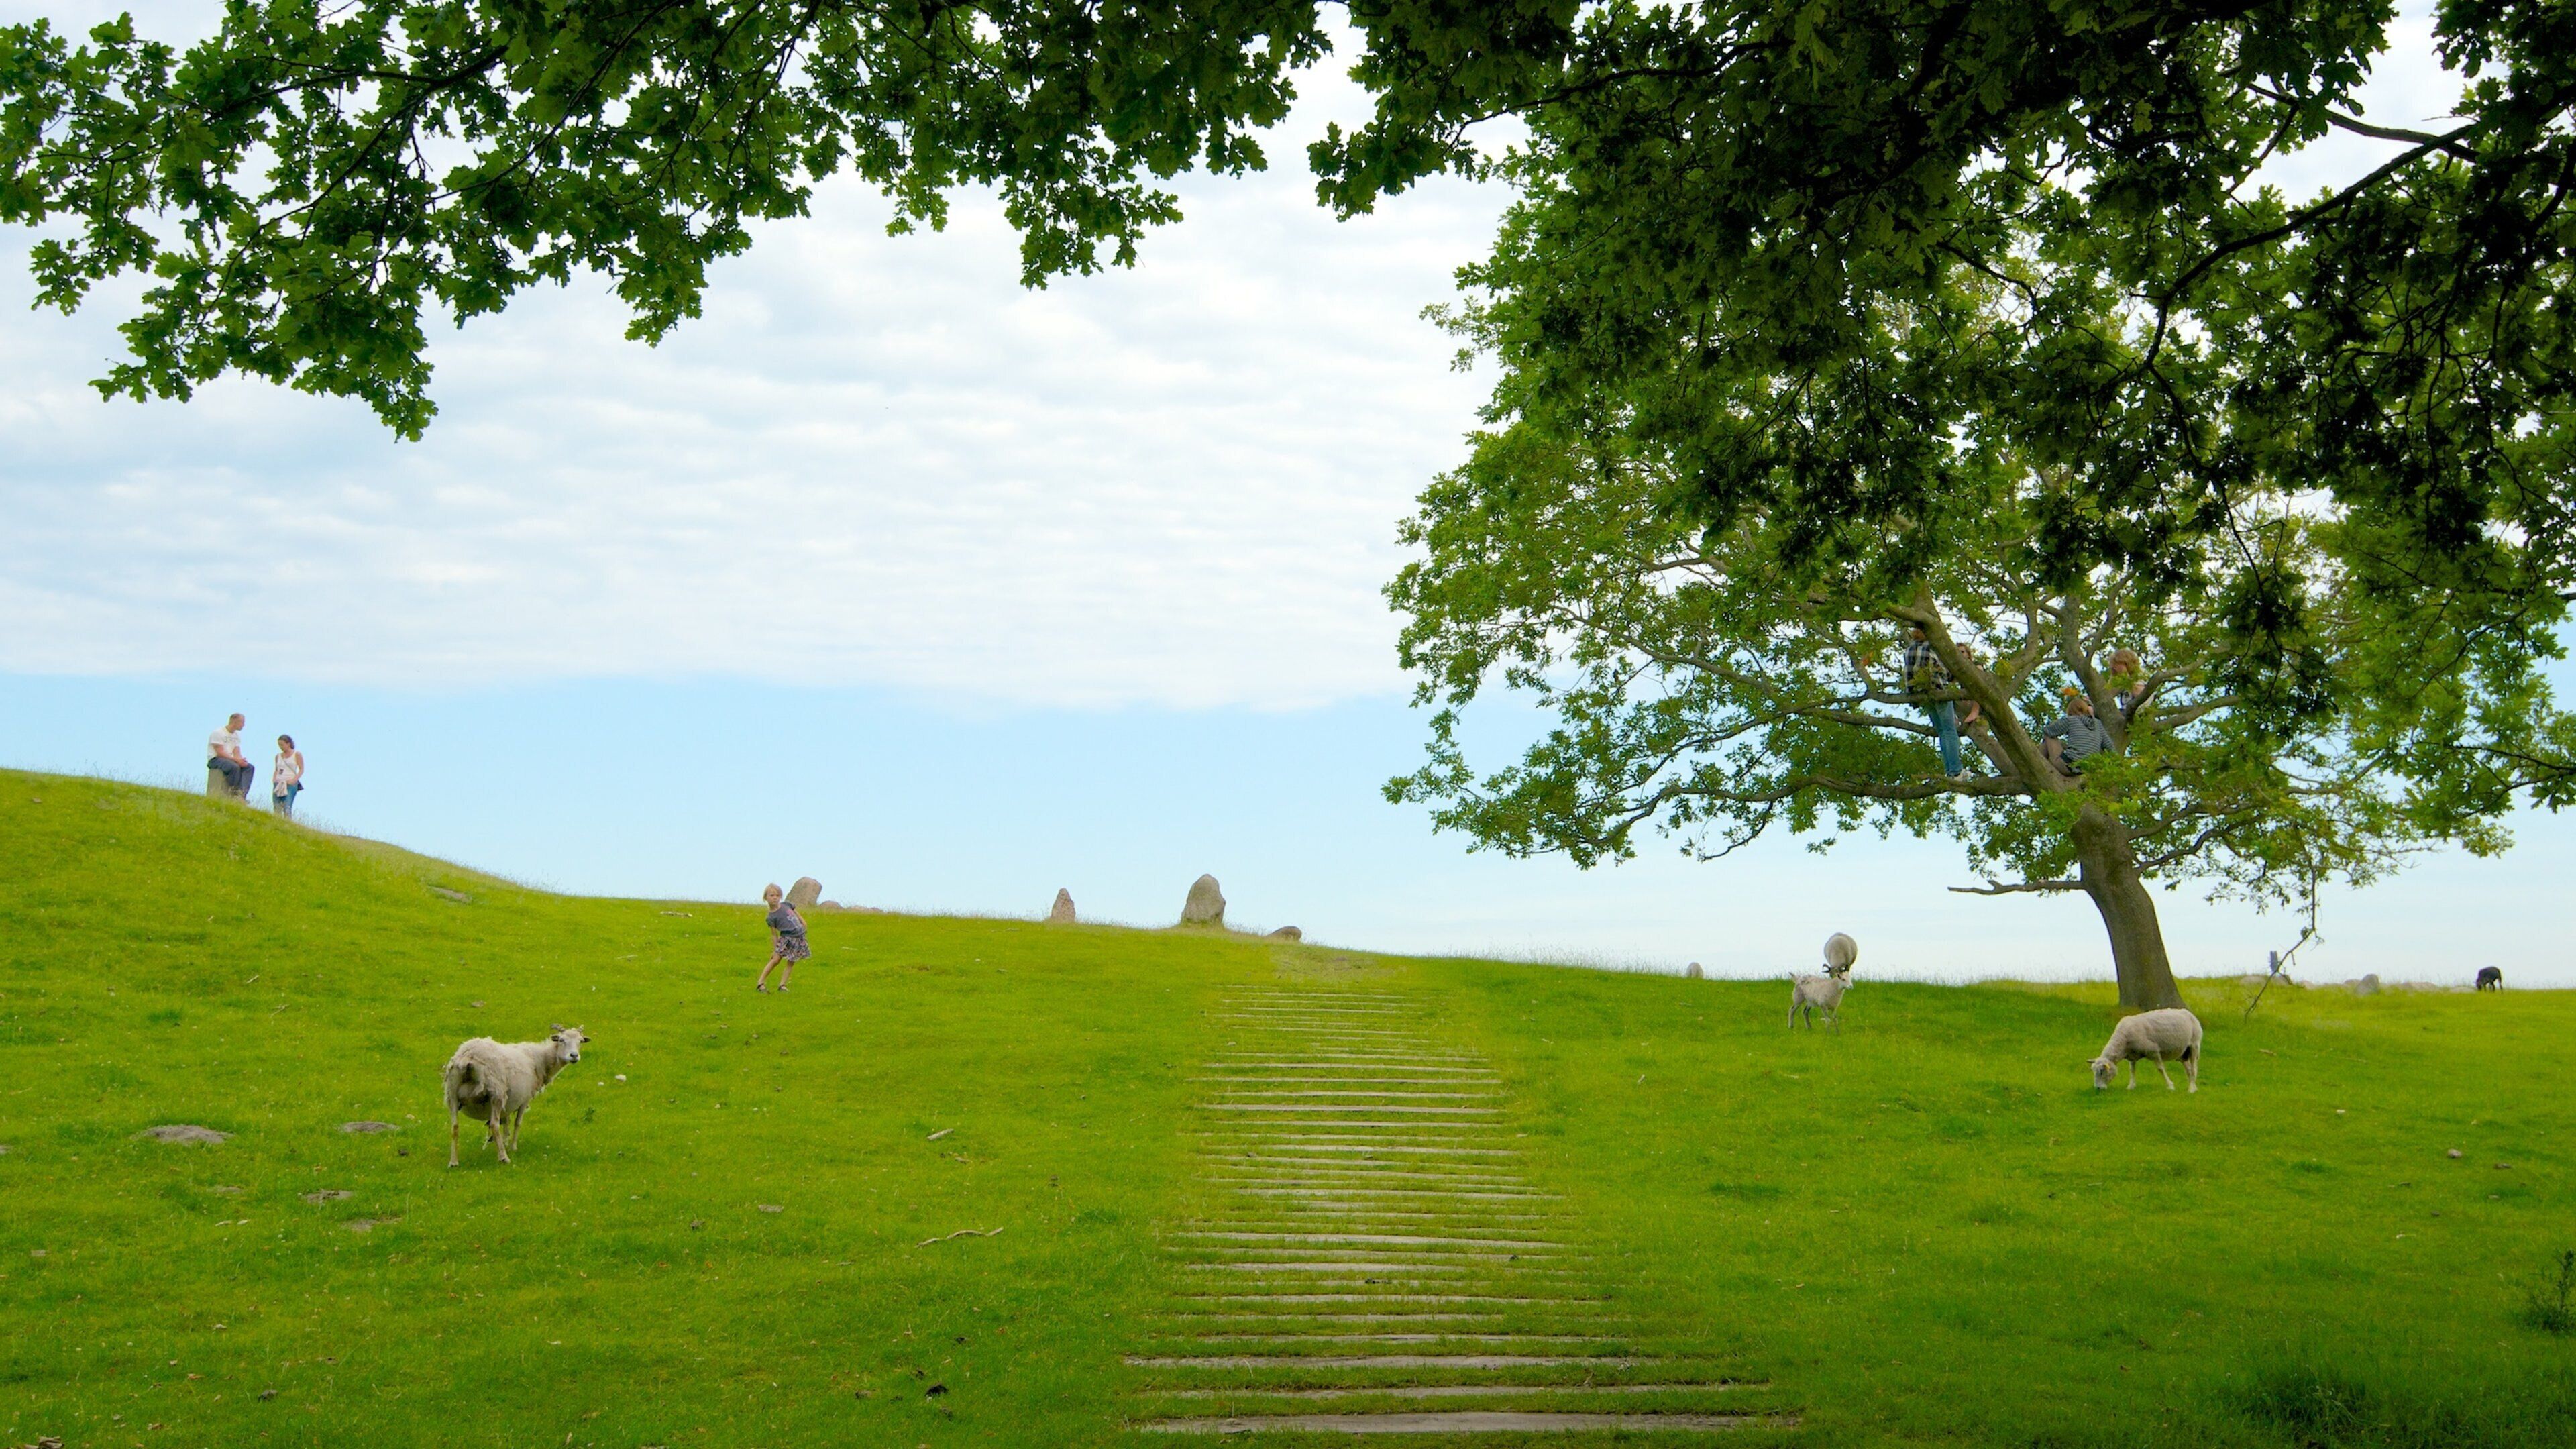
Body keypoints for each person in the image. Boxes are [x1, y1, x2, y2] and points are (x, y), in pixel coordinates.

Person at [1900, 627, 1970, 780]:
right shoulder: (1933, 647)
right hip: (1938, 691)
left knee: (1942, 732)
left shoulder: (1909, 649)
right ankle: (1956, 771)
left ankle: (1950, 771)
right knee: (1950, 731)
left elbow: (1908, 673)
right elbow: (1942, 671)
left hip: (1920, 695)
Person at [2042, 687, 2112, 775]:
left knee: (2049, 736)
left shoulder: (2072, 720)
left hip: (2070, 765)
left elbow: (2048, 730)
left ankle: (2037, 764)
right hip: (2089, 769)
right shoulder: (2098, 724)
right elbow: (2110, 746)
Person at [755, 883, 810, 993]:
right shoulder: (771, 917)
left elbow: (796, 914)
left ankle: (782, 985)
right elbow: (774, 934)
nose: (775, 898)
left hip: (798, 937)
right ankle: (761, 983)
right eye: (772, 895)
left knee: (791, 962)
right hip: (786, 939)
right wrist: (775, 949)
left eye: (777, 895)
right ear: (766, 898)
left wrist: (803, 923)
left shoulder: (787, 905)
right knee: (776, 960)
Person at [207, 713, 255, 800]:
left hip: (229, 759)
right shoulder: (218, 733)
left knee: (249, 768)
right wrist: (236, 760)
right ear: (235, 722)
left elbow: (237, 752)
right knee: (234, 767)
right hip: (216, 759)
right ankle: (234, 792)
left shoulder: (236, 735)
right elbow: (220, 753)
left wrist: (241, 761)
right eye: (242, 722)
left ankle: (241, 795)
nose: (243, 725)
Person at [2106, 647, 2150, 720]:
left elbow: (2140, 694)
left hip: (2138, 714)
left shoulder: (2140, 675)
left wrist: (2125, 676)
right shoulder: (2120, 680)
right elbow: (2107, 694)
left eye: (2117, 664)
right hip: (2124, 712)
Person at [272, 735, 306, 819]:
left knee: (287, 806)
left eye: (282, 745)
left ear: (288, 744)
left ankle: (287, 822)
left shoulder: (297, 754)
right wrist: (274, 779)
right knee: (277, 806)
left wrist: (294, 780)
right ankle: (276, 822)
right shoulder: (278, 756)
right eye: (279, 745)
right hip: (279, 782)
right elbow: (276, 769)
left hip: (290, 783)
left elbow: (301, 769)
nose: (281, 747)